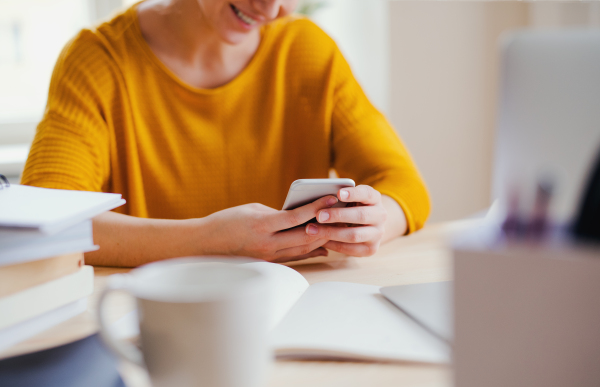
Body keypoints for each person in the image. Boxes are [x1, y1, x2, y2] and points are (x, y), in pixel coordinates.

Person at [21, 0, 430, 267]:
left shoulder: (308, 51)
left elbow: (402, 185)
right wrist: (206, 240)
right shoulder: (98, 62)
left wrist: (376, 221)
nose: (272, 9)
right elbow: (44, 220)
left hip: (292, 313)